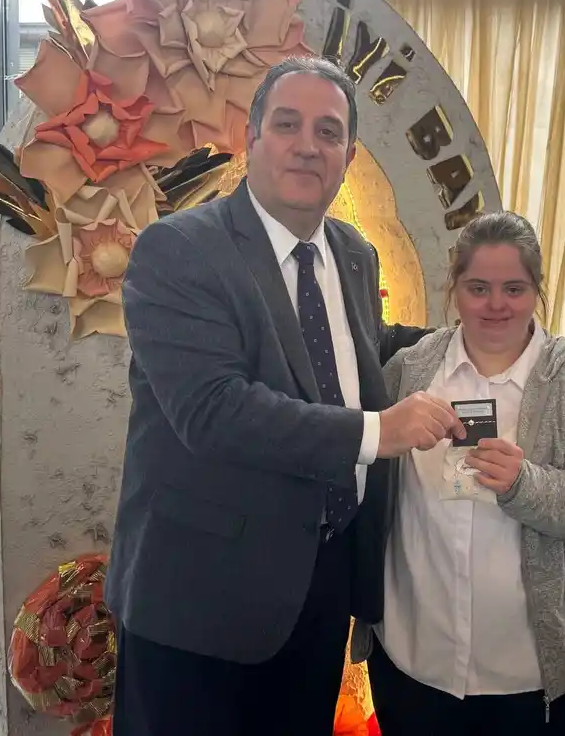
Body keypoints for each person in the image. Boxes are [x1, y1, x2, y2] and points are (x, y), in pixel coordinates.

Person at [106, 56, 465, 735]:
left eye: (328, 132)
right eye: (287, 124)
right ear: (252, 137)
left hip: (317, 588)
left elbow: (361, 347)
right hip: (198, 603)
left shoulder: (352, 251)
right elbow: (213, 409)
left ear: (347, 157)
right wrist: (379, 431)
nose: (307, 145)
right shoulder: (178, 250)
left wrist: (474, 340)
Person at [351, 211, 565, 735]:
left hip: (532, 675)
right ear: (454, 288)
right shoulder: (408, 373)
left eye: (514, 289)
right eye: (478, 288)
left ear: (536, 291)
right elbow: (361, 468)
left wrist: (526, 484)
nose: (496, 304)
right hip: (414, 659)